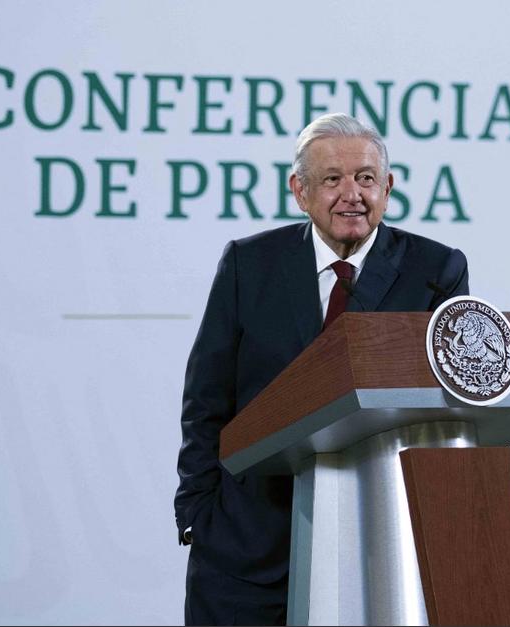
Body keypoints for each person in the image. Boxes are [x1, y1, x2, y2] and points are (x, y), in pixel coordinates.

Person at [174, 112, 469, 626]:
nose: (351, 194)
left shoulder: (436, 271)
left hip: (376, 543)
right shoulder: (250, 264)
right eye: (332, 179)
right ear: (300, 191)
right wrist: (198, 514)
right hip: (246, 545)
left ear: (389, 187)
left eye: (366, 178)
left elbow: (448, 405)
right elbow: (207, 398)